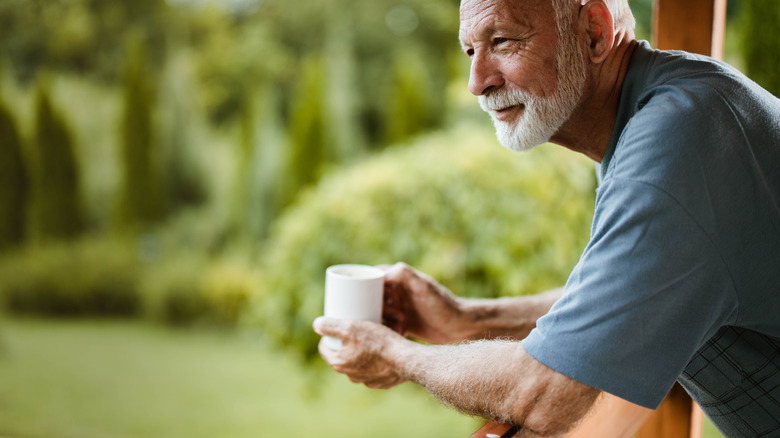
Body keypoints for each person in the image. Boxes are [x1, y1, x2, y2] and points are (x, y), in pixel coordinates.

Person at [313, 0, 780, 436]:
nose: (477, 81)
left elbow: (544, 391)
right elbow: (621, 301)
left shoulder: (679, 142)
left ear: (594, 32)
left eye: (502, 42)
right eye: (471, 50)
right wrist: (465, 319)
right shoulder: (669, 110)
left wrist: (394, 357)